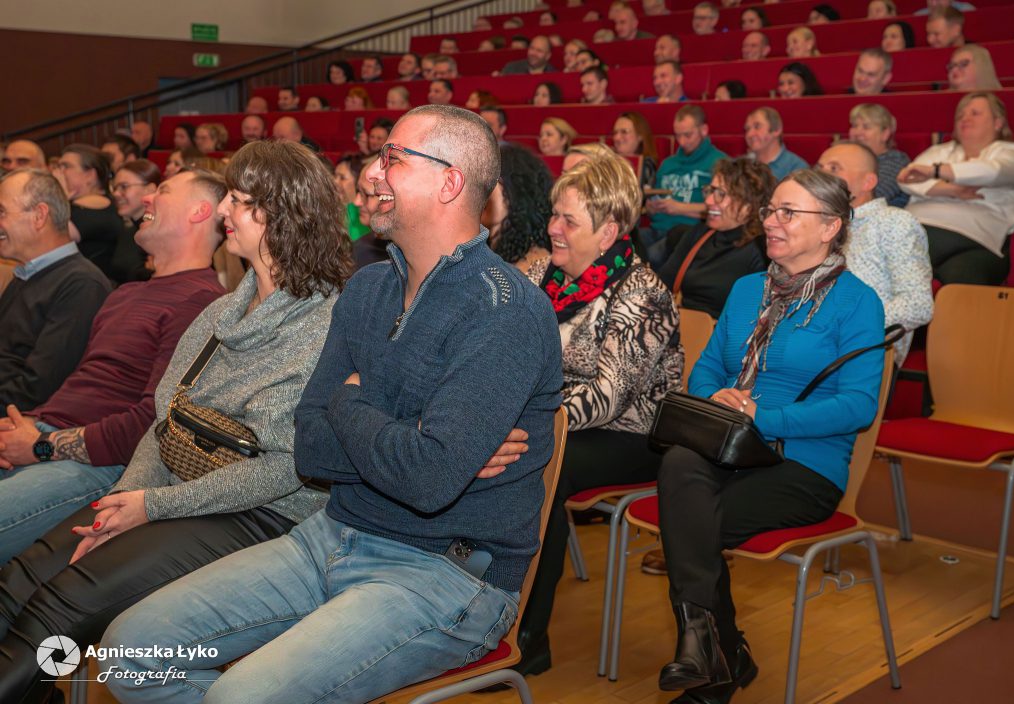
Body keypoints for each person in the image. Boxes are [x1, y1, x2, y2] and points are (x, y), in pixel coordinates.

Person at [103, 104, 564, 704]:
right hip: (331, 533)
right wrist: (408, 437)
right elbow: (310, 450)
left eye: (393, 158)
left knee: (239, 698)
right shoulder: (367, 288)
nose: (372, 173)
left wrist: (349, 403)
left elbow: (426, 481)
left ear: (450, 182)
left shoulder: (506, 310)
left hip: (443, 575)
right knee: (129, 651)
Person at [0, 140, 353, 704]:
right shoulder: (223, 309)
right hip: (178, 488)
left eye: (239, 199)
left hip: (262, 515)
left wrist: (151, 506)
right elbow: (164, 420)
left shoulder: (328, 322)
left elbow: (283, 469)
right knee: (21, 577)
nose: (223, 210)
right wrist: (127, 499)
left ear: (283, 212)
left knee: (63, 603)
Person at [656, 168, 885, 704]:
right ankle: (712, 651)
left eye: (788, 213)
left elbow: (858, 406)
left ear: (830, 226)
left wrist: (764, 416)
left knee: (692, 522)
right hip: (729, 445)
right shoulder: (746, 290)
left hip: (804, 464)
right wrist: (717, 398)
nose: (771, 223)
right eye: (769, 211)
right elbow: (708, 368)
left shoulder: (858, 302)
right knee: (678, 465)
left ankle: (716, 660)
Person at [0, 169, 228, 564]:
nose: (147, 198)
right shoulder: (126, 293)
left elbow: (155, 424)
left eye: (163, 190)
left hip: (99, 462)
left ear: (199, 211)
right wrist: (20, 432)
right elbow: (80, 387)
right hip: (44, 435)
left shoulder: (202, 301)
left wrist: (39, 446)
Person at [515, 154, 683, 678]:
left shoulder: (642, 295)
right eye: (554, 215)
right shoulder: (542, 275)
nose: (553, 228)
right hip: (556, 423)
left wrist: (528, 420)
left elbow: (610, 397)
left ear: (608, 232)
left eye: (569, 220)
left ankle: (525, 636)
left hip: (632, 437)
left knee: (538, 463)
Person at [0, 170, 110, 413]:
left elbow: (38, 388)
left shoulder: (82, 285)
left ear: (39, 216)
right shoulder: (28, 274)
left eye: (2, 212)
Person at [818, 142, 933, 363]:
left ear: (868, 182)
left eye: (834, 168)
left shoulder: (894, 222)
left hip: (860, 354)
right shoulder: (818, 225)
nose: (821, 176)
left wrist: (843, 324)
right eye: (819, 168)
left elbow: (918, 305)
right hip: (813, 347)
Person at [898, 92, 1014, 285]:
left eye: (975, 113)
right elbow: (906, 179)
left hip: (977, 239)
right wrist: (953, 190)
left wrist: (935, 172)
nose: (965, 118)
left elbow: (993, 171)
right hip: (916, 226)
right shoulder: (939, 151)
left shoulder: (1013, 153)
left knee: (965, 277)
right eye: (960, 115)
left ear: (998, 122)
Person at [657, 158, 773, 319]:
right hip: (682, 326)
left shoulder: (762, 252)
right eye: (710, 191)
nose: (708, 200)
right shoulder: (700, 234)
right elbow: (661, 287)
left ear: (748, 205)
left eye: (720, 194)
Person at [646, 105, 727, 266]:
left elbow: (724, 209)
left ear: (703, 130)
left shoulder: (720, 163)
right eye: (678, 136)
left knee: (652, 254)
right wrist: (651, 207)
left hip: (689, 233)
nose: (682, 142)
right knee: (625, 244)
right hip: (657, 229)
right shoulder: (668, 164)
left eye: (688, 135)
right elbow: (653, 203)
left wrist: (679, 207)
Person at [57, 144, 125, 279]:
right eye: (59, 166)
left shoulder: (96, 203)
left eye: (66, 166)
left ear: (90, 175)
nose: (59, 172)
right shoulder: (76, 202)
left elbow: (49, 241)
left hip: (87, 284)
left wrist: (57, 196)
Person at [484, 143, 553, 273]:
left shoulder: (539, 266)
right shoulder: (476, 253)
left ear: (515, 192)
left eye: (491, 182)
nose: (480, 192)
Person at [849, 103, 911, 207]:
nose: (857, 132)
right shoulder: (845, 158)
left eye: (866, 127)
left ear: (885, 134)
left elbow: (874, 196)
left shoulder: (896, 161)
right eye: (855, 126)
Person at [109, 159, 160, 282]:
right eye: (115, 188)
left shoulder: (159, 233)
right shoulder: (129, 229)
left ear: (150, 189)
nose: (116, 194)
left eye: (124, 186)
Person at [745, 107, 809, 181]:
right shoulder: (740, 167)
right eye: (747, 129)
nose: (749, 134)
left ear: (776, 130)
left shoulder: (797, 168)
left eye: (757, 127)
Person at [613, 112, 659, 189]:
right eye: (615, 133)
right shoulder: (607, 161)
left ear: (640, 136)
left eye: (624, 132)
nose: (617, 137)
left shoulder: (647, 165)